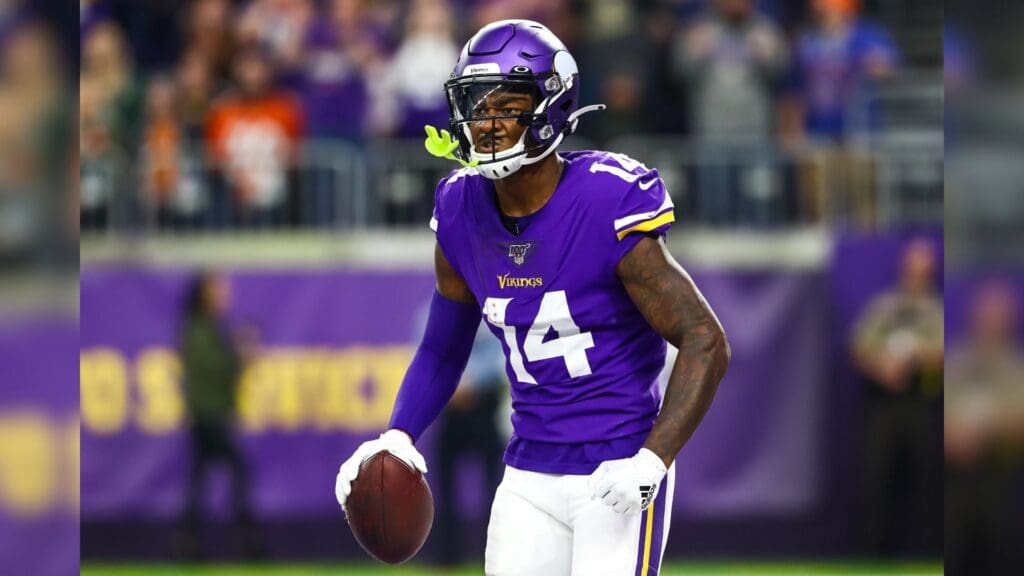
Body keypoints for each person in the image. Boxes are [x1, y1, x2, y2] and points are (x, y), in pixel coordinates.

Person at [335, 20, 731, 575]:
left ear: (549, 105)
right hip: (528, 475)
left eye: (508, 104)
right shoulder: (459, 206)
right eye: (476, 105)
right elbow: (442, 351)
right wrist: (399, 433)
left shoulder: (605, 199)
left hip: (615, 471)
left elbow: (705, 340)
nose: (487, 123)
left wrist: (653, 458)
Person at [850, 238, 944, 555]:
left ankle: (928, 555)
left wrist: (917, 355)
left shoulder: (936, 310)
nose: (918, 274)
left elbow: (949, 352)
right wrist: (883, 367)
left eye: (925, 269)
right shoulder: (884, 307)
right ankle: (874, 555)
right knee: (877, 480)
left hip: (921, 401)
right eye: (913, 268)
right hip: (884, 404)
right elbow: (859, 347)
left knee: (926, 482)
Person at [176, 272, 262, 559]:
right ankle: (246, 541)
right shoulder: (199, 330)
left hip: (209, 416)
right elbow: (214, 372)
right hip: (208, 418)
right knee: (237, 470)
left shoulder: (207, 328)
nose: (225, 293)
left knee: (200, 480)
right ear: (205, 293)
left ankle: (189, 542)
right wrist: (240, 357)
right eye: (219, 288)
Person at [945, 281, 1024, 576]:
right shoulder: (957, 361)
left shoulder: (1016, 367)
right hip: (955, 482)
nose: (991, 324)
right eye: (986, 317)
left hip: (1001, 478)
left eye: (998, 318)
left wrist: (988, 432)